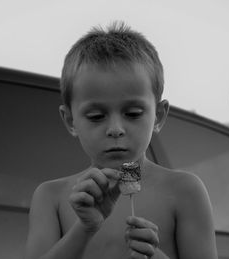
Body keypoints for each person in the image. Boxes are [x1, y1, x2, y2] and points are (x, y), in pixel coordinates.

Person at [25, 21, 218, 259]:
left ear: (158, 115)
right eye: (96, 116)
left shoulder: (185, 192)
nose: (115, 129)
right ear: (70, 120)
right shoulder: (51, 197)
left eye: (133, 114)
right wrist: (84, 229)